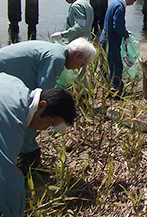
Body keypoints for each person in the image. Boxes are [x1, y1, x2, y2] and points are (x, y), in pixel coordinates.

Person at [0, 38, 96, 169]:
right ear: (78, 56)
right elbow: (44, 95)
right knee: (31, 115)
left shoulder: (55, 50)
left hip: (8, 76)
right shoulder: (56, 58)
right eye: (82, 64)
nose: (79, 68)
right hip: (4, 74)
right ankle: (29, 160)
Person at [0, 75, 77, 217]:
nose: (43, 128)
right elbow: (6, 176)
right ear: (42, 105)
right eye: (48, 123)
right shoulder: (13, 119)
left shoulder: (17, 85)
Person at [100, 0, 141, 94]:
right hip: (112, 40)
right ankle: (116, 88)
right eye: (133, 1)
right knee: (116, 64)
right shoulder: (119, 7)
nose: (132, 4)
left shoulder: (114, 3)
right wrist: (125, 35)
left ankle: (105, 85)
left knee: (105, 64)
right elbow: (117, 26)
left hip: (104, 39)